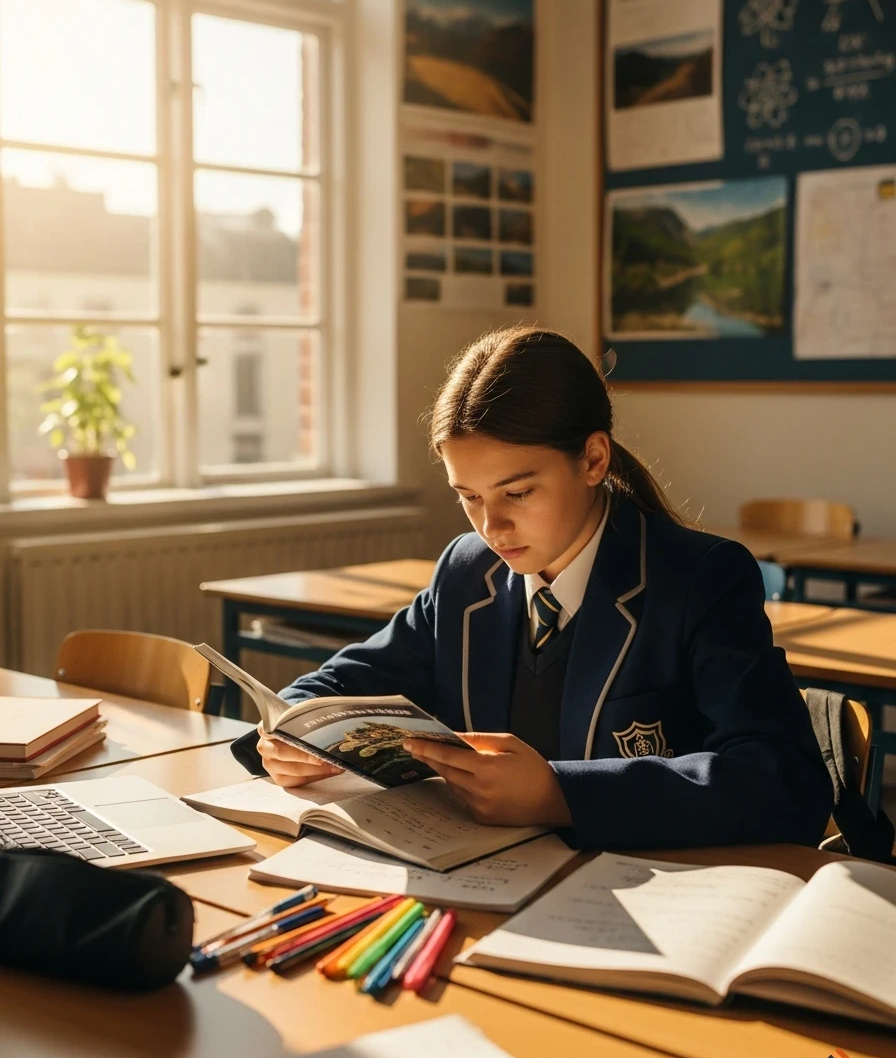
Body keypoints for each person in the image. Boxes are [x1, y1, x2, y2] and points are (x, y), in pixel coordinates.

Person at [231, 326, 832, 851]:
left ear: (593, 459)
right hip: (488, 886)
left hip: (645, 899)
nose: (491, 528)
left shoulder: (700, 579)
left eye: (517, 492)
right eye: (468, 497)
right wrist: (291, 732)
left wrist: (561, 794)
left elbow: (784, 781)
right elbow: (341, 685)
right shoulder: (468, 571)